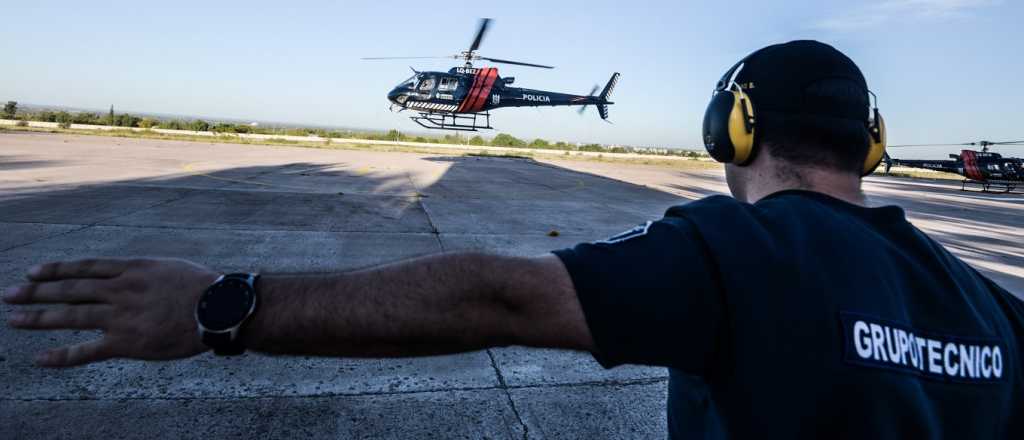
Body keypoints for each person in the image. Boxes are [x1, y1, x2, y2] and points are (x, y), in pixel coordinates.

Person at [4, 41, 1021, 438]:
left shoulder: (732, 251)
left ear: (733, 130)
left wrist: (220, 305)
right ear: (871, 142)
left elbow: (496, 295)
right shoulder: (989, 304)